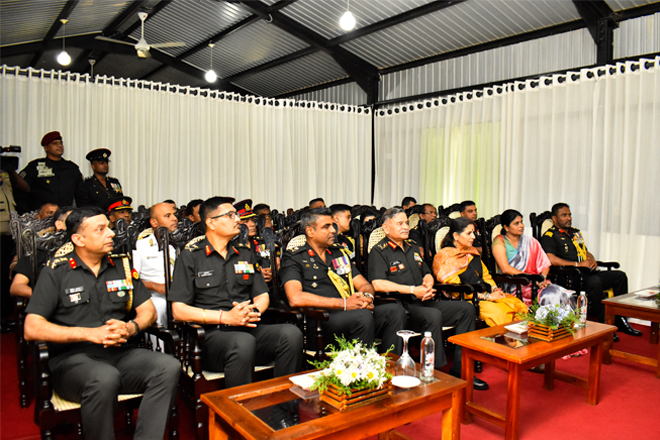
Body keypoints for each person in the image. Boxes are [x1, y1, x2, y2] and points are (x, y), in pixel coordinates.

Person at [23, 206, 180, 440]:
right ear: (79, 239)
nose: (111, 233)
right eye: (101, 229)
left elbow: (148, 311)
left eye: (109, 227)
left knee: (168, 366)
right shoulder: (57, 271)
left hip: (120, 354)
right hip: (72, 361)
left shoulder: (121, 266)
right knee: (104, 377)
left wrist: (131, 327)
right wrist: (89, 334)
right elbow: (31, 328)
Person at [169, 196, 302, 388]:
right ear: (211, 223)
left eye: (236, 215)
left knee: (291, 334)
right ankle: (239, 405)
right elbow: (179, 310)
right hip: (211, 337)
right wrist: (225, 317)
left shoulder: (245, 253)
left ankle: (285, 400)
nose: (237, 219)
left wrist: (253, 311)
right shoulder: (191, 257)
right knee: (242, 341)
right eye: (230, 215)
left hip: (248, 327)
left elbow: (262, 295)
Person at [369, 207, 488, 390]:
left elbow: (426, 272)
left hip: (425, 299)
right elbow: (377, 284)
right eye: (400, 223)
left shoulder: (412, 247)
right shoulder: (379, 251)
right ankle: (435, 372)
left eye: (406, 223)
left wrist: (428, 282)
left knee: (466, 309)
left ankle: (461, 368)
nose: (405, 227)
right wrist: (412, 290)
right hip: (403, 306)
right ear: (386, 228)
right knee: (432, 315)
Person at [280, 208, 405, 352]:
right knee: (362, 317)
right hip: (322, 320)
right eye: (326, 227)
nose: (333, 230)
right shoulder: (294, 258)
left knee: (394, 311)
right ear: (310, 231)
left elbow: (364, 284)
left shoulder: (338, 253)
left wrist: (366, 298)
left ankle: (390, 361)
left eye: (333, 225)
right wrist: (344, 304)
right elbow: (295, 298)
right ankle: (361, 364)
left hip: (352, 313)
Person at [540, 203, 640, 336]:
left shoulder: (575, 232)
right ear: (555, 218)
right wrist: (578, 264)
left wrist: (591, 259)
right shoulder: (549, 236)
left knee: (619, 276)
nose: (568, 218)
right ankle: (605, 323)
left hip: (587, 273)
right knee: (594, 282)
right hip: (569, 276)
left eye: (569, 215)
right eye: (564, 215)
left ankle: (620, 319)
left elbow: (584, 251)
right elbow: (550, 259)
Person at [433, 218, 528, 328]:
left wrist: (495, 289)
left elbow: (486, 276)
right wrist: (488, 297)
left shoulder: (472, 252)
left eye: (473, 232)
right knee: (501, 312)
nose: (473, 236)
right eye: (468, 233)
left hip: (484, 296)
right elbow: (456, 291)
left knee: (518, 305)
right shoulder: (445, 256)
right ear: (456, 236)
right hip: (466, 301)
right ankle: (503, 339)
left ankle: (520, 338)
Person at [492, 209, 573, 307]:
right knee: (551, 295)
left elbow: (545, 264)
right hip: (515, 284)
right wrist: (530, 278)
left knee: (562, 293)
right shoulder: (499, 241)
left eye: (521, 222)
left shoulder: (530, 241)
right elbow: (505, 268)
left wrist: (543, 279)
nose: (521, 226)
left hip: (536, 282)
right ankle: (547, 316)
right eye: (516, 223)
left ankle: (563, 317)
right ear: (506, 227)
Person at [10, 206, 73, 299]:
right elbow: (16, 287)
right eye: (73, 222)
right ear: (59, 224)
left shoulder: (84, 248)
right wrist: (46, 299)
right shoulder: (39, 249)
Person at [132, 203, 178, 327]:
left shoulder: (179, 244)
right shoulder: (140, 246)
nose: (174, 219)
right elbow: (132, 280)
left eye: (174, 215)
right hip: (153, 295)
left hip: (179, 292)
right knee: (159, 306)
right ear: (154, 222)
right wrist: (155, 286)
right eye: (168, 216)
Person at [18, 131, 88, 211]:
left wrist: (83, 214)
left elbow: (82, 196)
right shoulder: (35, 167)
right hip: (41, 216)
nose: (59, 146)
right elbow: (21, 191)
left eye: (61, 143)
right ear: (46, 147)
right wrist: (26, 213)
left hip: (64, 215)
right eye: (55, 143)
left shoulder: (72, 168)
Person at [234, 199, 273, 282]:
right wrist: (256, 271)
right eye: (246, 221)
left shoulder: (261, 242)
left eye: (253, 220)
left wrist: (271, 271)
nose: (252, 224)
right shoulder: (232, 245)